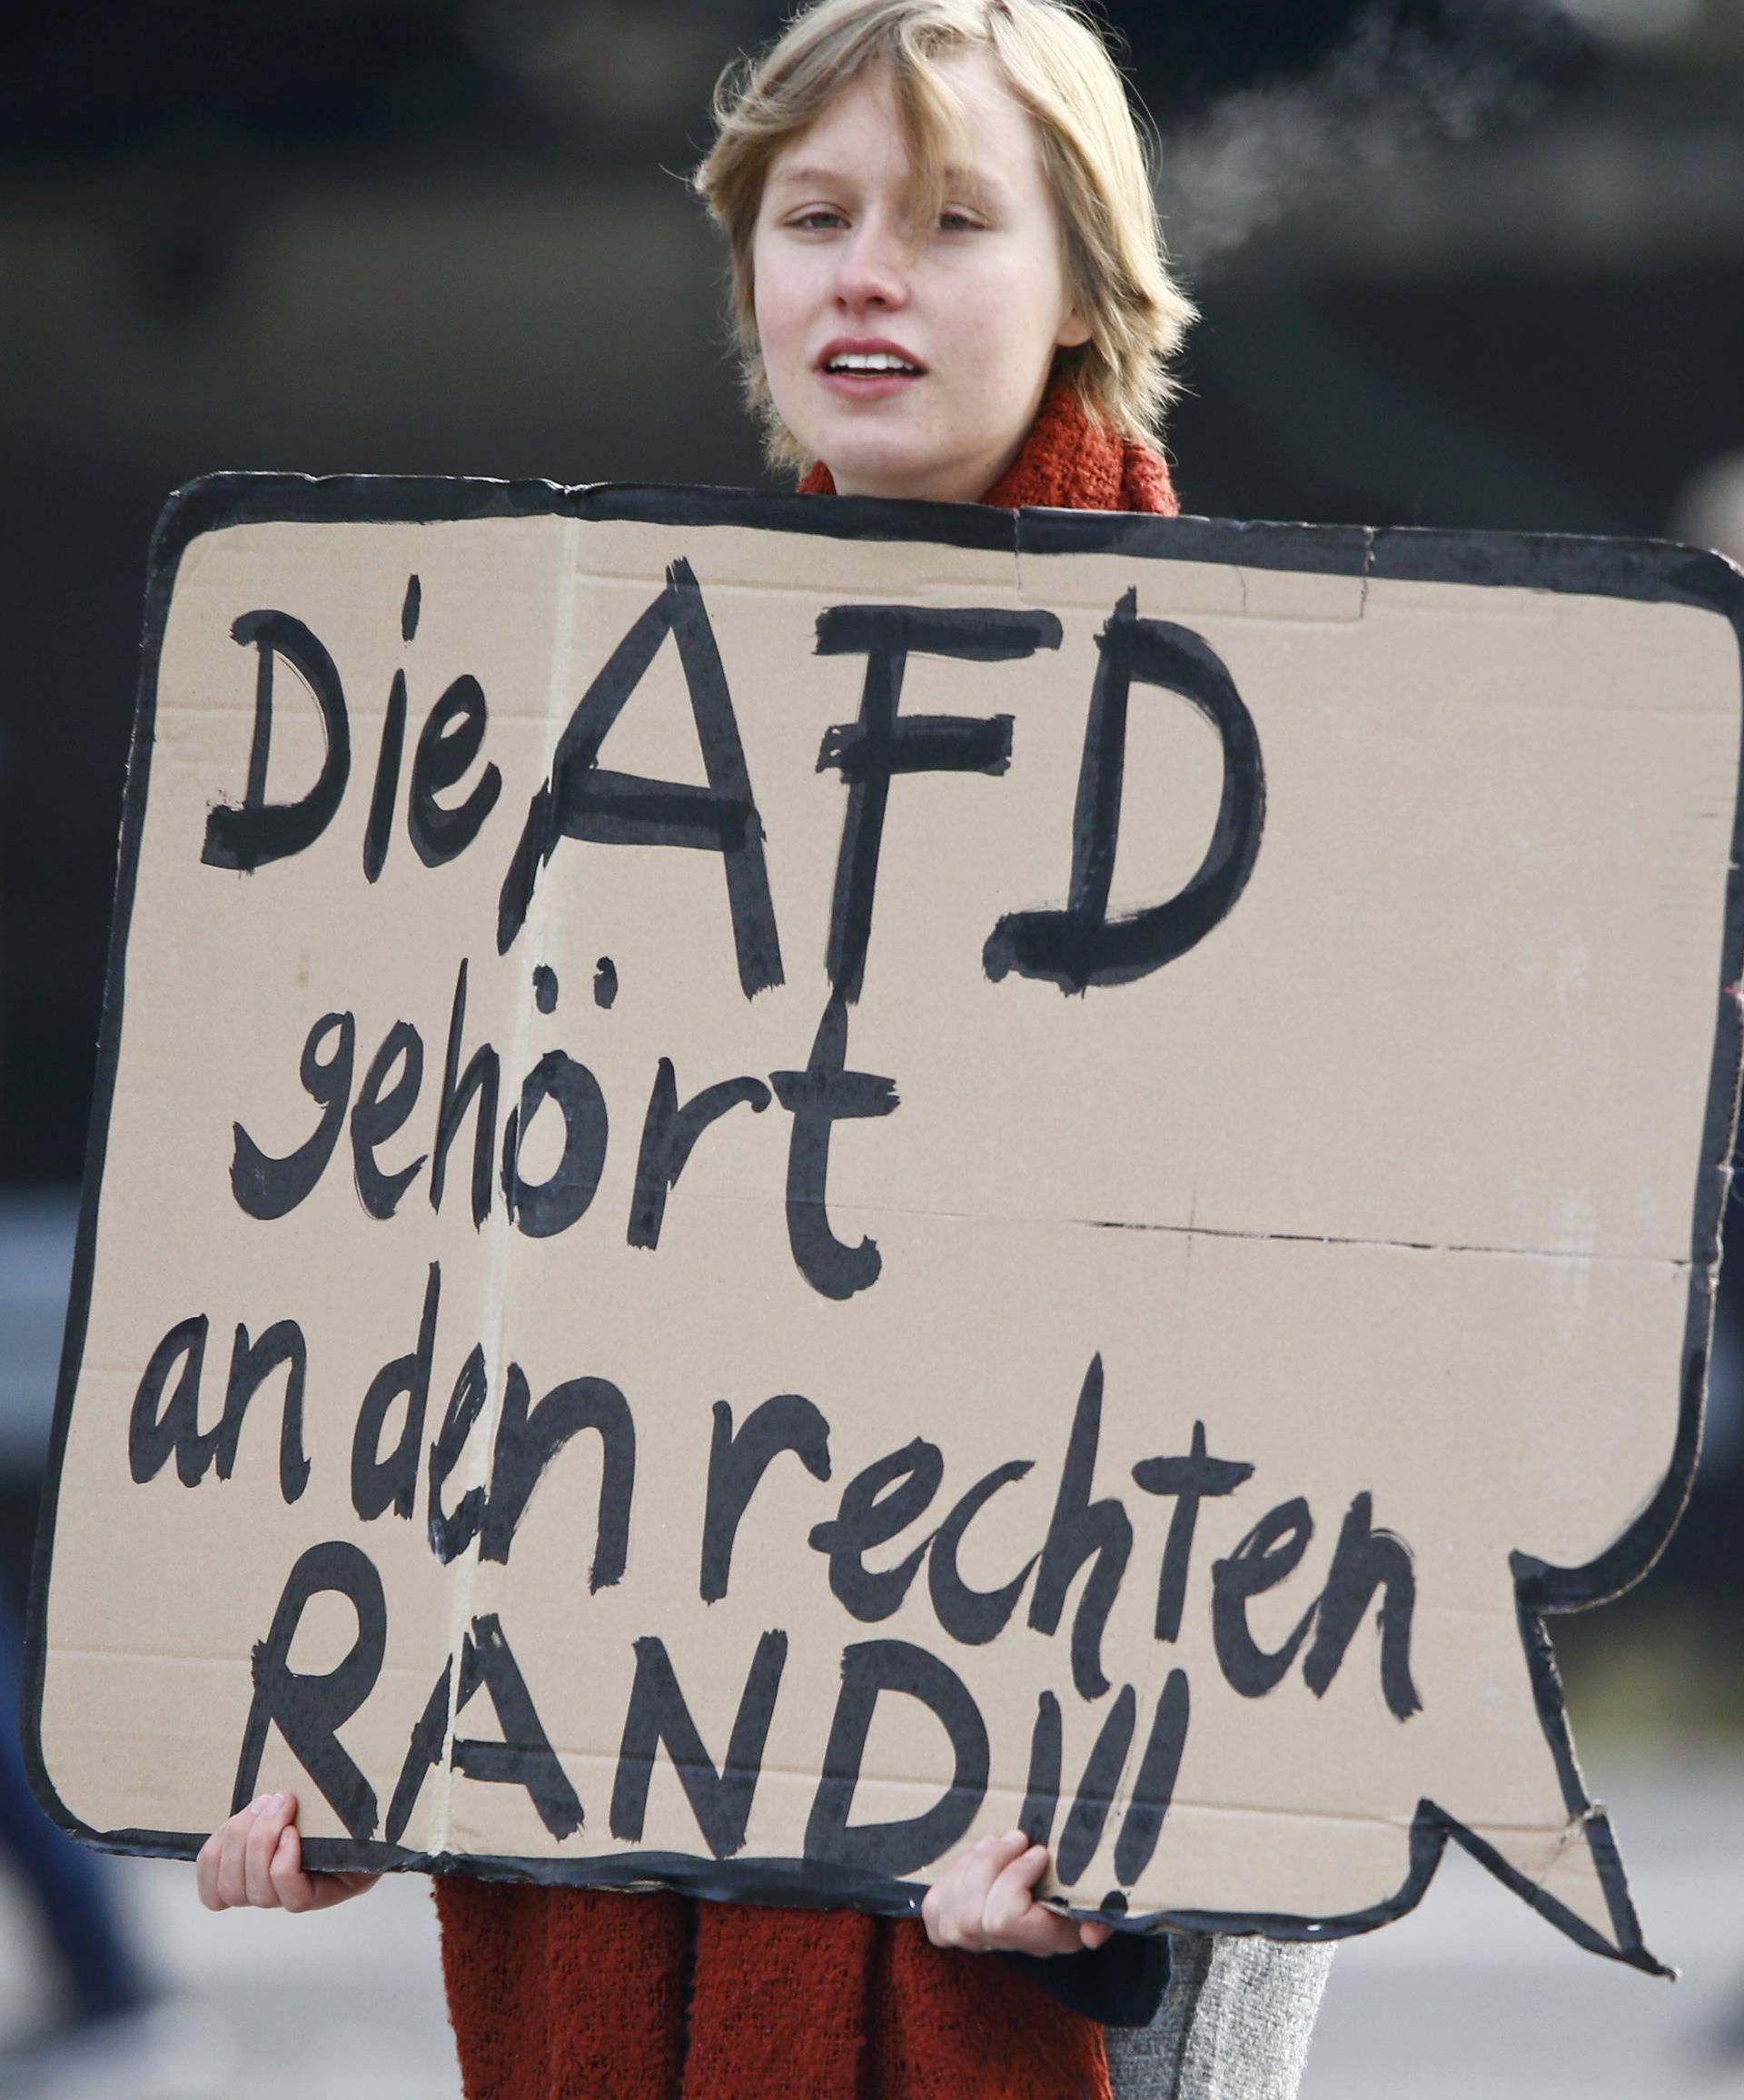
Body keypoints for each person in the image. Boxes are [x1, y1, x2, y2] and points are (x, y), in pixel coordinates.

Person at [196, 3, 1334, 2093]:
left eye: (953, 217)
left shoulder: (1247, 783)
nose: (866, 271)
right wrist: (353, 1726)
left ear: (1084, 286)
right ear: (749, 270)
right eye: (814, 216)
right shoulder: (592, 738)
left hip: (1049, 1959)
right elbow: (499, 1323)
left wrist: (1138, 1864)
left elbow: (1318, 1434)